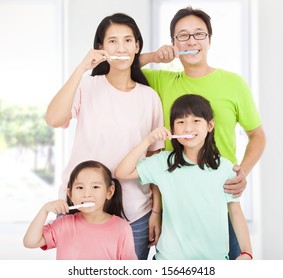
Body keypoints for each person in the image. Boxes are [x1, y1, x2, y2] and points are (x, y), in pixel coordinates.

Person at [139, 6, 265, 259]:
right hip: (177, 210)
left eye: (199, 34)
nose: (192, 41)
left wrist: (242, 172)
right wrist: (155, 55)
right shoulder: (163, 81)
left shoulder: (234, 83)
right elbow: (117, 66)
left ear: (209, 39)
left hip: (222, 204)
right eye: (182, 35)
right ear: (173, 42)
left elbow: (258, 135)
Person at [45, 13, 164, 259]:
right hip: (81, 207)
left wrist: (156, 211)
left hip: (135, 214)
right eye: (112, 41)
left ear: (137, 46)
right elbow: (54, 119)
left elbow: (155, 160)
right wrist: (80, 70)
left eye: (128, 40)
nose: (121, 47)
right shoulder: (87, 86)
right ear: (100, 47)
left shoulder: (149, 97)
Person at [115, 94, 253, 260]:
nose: (188, 128)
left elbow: (235, 212)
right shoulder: (163, 163)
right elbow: (122, 172)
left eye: (196, 121)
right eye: (181, 122)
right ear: (173, 130)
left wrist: (247, 253)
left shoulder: (224, 168)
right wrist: (148, 141)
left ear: (210, 125)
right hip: (169, 261)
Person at [23, 160, 137, 260]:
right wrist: (44, 210)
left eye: (95, 187)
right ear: (70, 194)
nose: (86, 194)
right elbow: (30, 242)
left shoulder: (122, 228)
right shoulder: (63, 224)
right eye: (80, 188)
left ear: (109, 192)